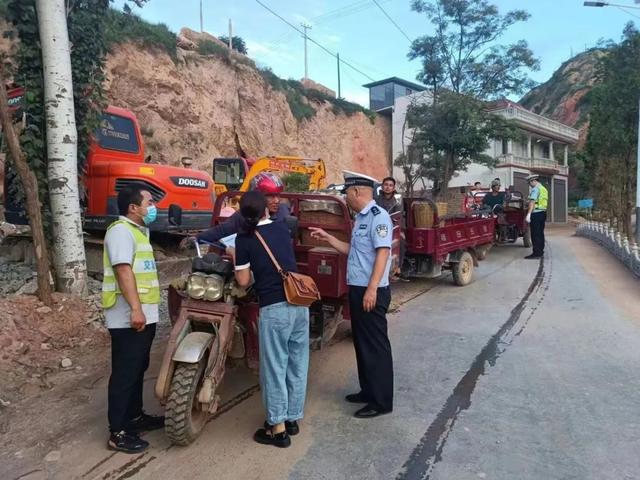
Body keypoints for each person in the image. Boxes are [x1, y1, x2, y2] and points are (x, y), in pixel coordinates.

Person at [310, 171, 394, 419]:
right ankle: (368, 391)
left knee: (376, 346)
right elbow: (353, 250)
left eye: (347, 193)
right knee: (362, 343)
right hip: (358, 289)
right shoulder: (361, 219)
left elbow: (383, 253)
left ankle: (381, 401)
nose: (346, 197)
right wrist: (328, 239)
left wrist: (371, 289)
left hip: (372, 290)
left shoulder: (380, 217)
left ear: (357, 192)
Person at [232, 191, 309, 448]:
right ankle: (292, 419)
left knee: (274, 366)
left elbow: (243, 282)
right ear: (266, 209)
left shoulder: (244, 239)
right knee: (296, 364)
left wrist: (239, 259)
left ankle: (277, 429)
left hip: (275, 308)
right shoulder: (281, 229)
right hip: (299, 305)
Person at [102, 187, 164, 454]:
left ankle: (135, 417)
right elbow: (123, 270)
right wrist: (136, 310)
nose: (153, 207)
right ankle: (118, 431)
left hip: (142, 315)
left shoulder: (139, 232)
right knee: (125, 373)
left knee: (139, 367)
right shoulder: (120, 231)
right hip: (128, 317)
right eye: (149, 203)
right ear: (133, 208)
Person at [179, 172, 296, 248]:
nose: (276, 200)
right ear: (257, 196)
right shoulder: (245, 214)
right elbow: (223, 229)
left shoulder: (282, 215)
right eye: (270, 196)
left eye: (277, 195)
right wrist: (197, 239)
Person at [377, 176, 408, 282]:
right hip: (379, 226)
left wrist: (401, 230)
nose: (388, 187)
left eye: (390, 185)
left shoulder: (398, 198)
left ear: (393, 187)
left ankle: (398, 267)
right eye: (386, 185)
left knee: (401, 241)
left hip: (395, 226)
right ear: (382, 186)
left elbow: (398, 215)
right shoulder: (377, 198)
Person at [525, 174, 548, 259]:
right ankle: (540, 251)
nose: (529, 185)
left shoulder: (535, 189)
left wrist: (528, 214)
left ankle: (536, 253)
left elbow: (532, 202)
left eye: (529, 183)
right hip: (543, 213)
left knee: (535, 234)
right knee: (540, 233)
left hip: (536, 214)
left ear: (533, 181)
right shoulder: (543, 189)